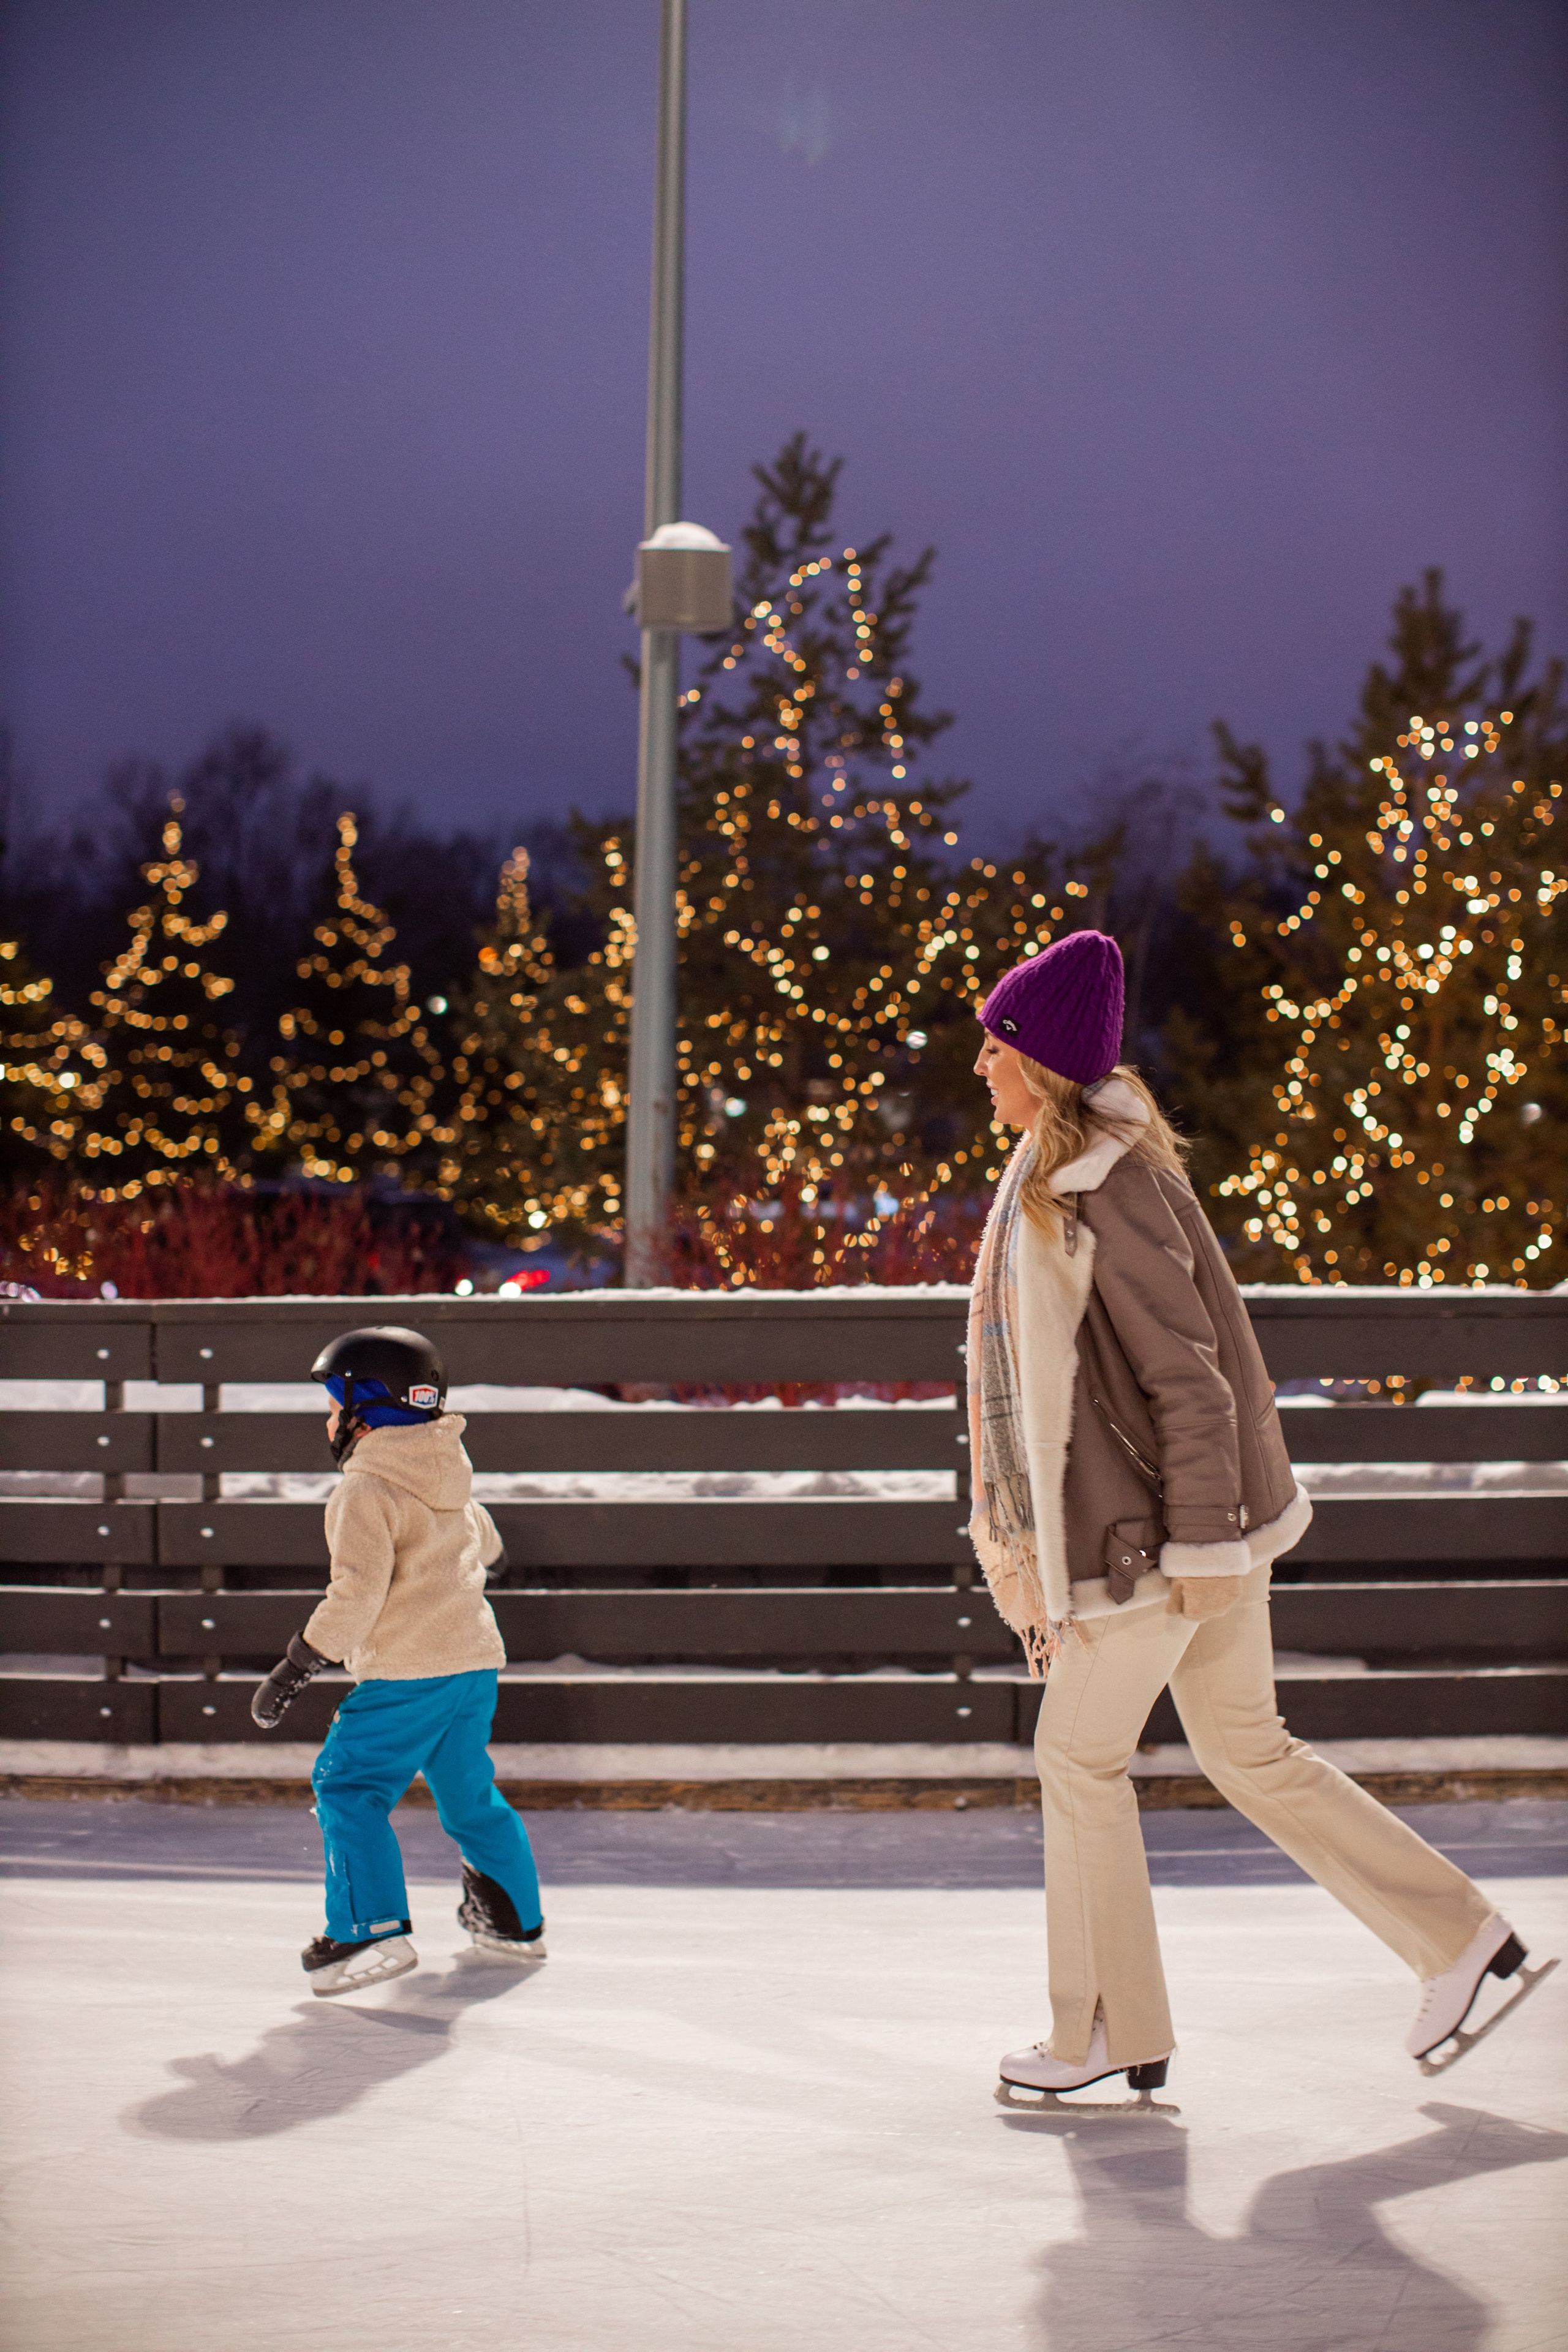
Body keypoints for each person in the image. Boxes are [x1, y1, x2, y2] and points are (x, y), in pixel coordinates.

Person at [967, 930, 1546, 2103]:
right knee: (1249, 1751)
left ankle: (1104, 2029)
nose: (981, 1068)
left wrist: (1206, 1551)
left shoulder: (1106, 1189)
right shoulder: (1077, 1173)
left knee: (1075, 1758)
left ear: (1045, 1066)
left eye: (997, 1047)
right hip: (1193, 1527)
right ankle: (1460, 1938)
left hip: (1163, 1537)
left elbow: (1192, 1380)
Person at [251, 1325, 546, 1997]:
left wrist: (296, 1665)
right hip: (472, 1666)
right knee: (470, 1798)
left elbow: (355, 1595)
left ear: (366, 1408)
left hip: (408, 1674)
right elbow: (489, 1544)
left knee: (348, 1786)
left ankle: (367, 1933)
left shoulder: (366, 1490)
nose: (328, 1418)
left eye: (334, 1404)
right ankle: (513, 1922)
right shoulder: (449, 1470)